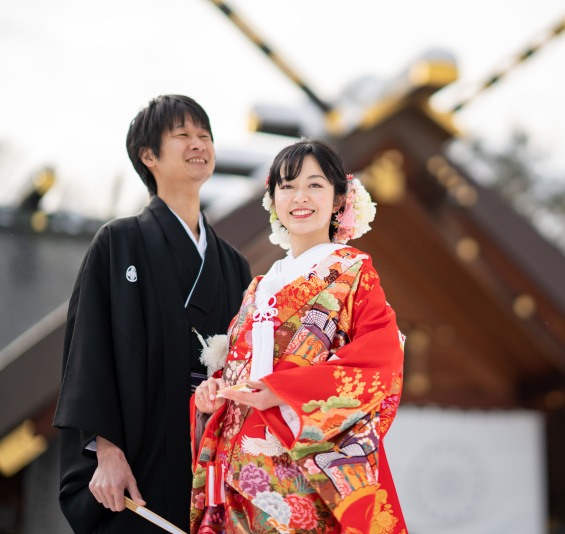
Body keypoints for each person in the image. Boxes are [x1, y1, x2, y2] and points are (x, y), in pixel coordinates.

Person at [53, 95, 252, 534]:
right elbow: (89, 351)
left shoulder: (233, 265)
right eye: (182, 135)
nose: (198, 143)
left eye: (205, 135)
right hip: (140, 460)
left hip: (213, 464)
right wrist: (106, 450)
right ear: (148, 156)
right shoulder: (117, 242)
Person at [190, 139, 407, 533]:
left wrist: (283, 390)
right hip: (240, 466)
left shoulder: (353, 272)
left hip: (302, 468)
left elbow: (380, 362)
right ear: (272, 199)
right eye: (287, 186)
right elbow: (241, 371)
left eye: (315, 185)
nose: (299, 197)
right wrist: (215, 391)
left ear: (340, 198)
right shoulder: (259, 287)